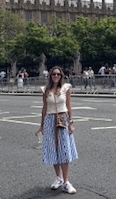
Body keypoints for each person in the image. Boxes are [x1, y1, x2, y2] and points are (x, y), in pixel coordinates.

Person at [35, 66, 78, 194]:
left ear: (61, 76)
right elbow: (44, 108)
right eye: (54, 74)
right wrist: (41, 125)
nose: (56, 76)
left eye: (58, 74)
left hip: (62, 119)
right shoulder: (45, 90)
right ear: (50, 75)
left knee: (64, 149)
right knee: (53, 149)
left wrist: (71, 122)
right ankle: (58, 177)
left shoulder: (66, 88)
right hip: (49, 120)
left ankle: (66, 181)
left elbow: (69, 106)